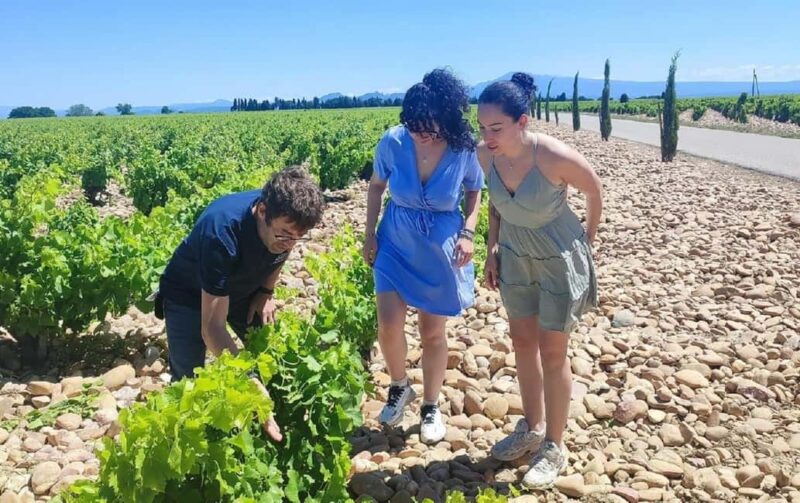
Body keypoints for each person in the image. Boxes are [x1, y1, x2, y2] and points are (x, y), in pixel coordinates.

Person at [476, 72, 602, 488]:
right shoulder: (485, 155)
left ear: (522, 121)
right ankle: (530, 427)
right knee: (522, 343)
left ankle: (553, 444)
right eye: (482, 127)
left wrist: (585, 245)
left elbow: (594, 190)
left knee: (552, 351)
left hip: (555, 258)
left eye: (496, 127)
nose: (488, 135)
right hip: (514, 255)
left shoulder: (551, 155)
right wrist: (492, 249)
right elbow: (495, 206)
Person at [155, 165, 325, 441]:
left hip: (243, 290)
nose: (290, 244)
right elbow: (212, 328)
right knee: (187, 384)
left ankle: (263, 432)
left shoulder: (286, 218)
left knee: (272, 357)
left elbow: (279, 253)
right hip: (189, 295)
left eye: (298, 237)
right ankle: (190, 446)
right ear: (261, 212)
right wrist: (250, 381)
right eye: (284, 235)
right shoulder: (221, 231)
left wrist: (266, 292)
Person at [363, 68, 484, 444]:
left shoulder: (463, 148)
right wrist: (368, 233)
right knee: (387, 323)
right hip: (395, 240)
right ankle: (400, 386)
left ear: (445, 118)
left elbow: (475, 191)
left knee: (431, 332)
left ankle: (431, 405)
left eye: (428, 127)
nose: (421, 135)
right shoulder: (392, 142)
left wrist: (468, 234)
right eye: (414, 127)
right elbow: (376, 186)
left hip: (439, 247)